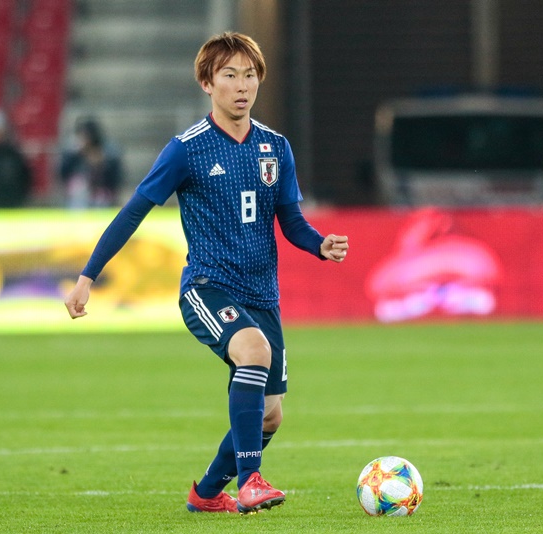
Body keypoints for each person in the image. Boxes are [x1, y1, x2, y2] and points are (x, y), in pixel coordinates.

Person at [63, 32, 349, 514]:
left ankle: (208, 493)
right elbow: (133, 213)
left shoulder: (275, 147)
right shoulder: (186, 150)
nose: (242, 86)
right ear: (207, 83)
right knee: (253, 352)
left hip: (262, 295)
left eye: (250, 75)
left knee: (271, 416)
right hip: (207, 286)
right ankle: (251, 481)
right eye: (230, 75)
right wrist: (88, 276)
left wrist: (318, 244)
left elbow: (290, 220)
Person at [59, 116, 123, 208]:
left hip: (103, 192)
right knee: (78, 188)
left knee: (101, 198)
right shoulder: (73, 151)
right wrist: (76, 155)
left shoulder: (108, 151)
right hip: (79, 193)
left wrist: (102, 164)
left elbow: (115, 178)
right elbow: (62, 173)